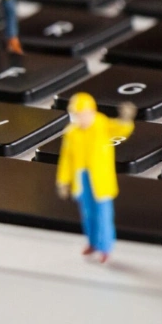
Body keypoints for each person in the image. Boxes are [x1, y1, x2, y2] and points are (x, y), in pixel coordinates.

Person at [55, 93, 136, 263]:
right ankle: (92, 243)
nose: (80, 118)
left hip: (100, 180)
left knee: (103, 215)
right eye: (76, 115)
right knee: (87, 214)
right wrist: (63, 181)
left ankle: (105, 248)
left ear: (91, 112)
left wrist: (126, 118)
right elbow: (66, 159)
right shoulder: (71, 133)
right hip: (81, 178)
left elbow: (121, 129)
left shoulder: (102, 124)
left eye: (82, 114)